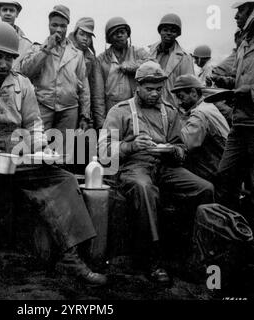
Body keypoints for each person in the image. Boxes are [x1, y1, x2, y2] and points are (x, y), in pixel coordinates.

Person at [0, 22, 107, 290]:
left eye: (9, 58)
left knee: (61, 178)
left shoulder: (22, 84)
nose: (5, 64)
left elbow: (34, 125)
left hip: (17, 154)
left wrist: (44, 150)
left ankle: (71, 257)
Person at [98, 61, 214, 284]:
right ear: (138, 87)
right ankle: (153, 259)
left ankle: (195, 255)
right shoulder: (120, 111)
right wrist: (130, 146)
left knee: (204, 188)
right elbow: (103, 150)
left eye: (158, 89)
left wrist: (173, 151)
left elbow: (181, 147)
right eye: (149, 89)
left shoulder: (169, 113)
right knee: (144, 189)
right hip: (134, 166)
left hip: (165, 165)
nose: (154, 94)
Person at [20, 5, 90, 159]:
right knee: (38, 151)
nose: (58, 29)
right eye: (54, 25)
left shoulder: (77, 54)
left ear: (67, 27)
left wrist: (85, 115)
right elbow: (26, 73)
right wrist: (46, 49)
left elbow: (84, 87)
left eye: (63, 26)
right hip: (42, 106)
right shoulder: (37, 48)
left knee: (64, 155)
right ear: (48, 25)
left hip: (69, 109)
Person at [212, 1, 254, 213]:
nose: (236, 16)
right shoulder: (244, 43)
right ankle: (229, 232)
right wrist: (226, 83)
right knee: (225, 175)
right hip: (240, 122)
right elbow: (237, 75)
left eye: (241, 10)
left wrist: (246, 91)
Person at [171, 75, 229, 183]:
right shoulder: (207, 106)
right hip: (222, 164)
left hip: (215, 169)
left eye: (181, 97)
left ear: (193, 92)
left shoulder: (199, 113)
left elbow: (185, 142)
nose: (179, 102)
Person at [93, 17, 149, 130]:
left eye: (122, 32)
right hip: (112, 111)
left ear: (127, 34)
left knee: (135, 143)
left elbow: (153, 66)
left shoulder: (139, 53)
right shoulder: (101, 60)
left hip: (137, 110)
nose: (119, 35)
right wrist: (101, 123)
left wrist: (131, 67)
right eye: (115, 33)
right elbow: (98, 95)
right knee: (113, 144)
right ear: (109, 38)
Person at [148, 13, 194, 109]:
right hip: (149, 104)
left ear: (177, 34)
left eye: (173, 31)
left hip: (171, 107)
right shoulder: (149, 52)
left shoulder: (185, 58)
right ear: (160, 31)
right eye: (165, 30)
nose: (168, 33)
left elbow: (188, 87)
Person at [68, 17, 97, 128]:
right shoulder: (64, 48)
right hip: (65, 105)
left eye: (89, 36)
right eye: (82, 34)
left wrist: (87, 114)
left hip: (83, 105)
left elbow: (89, 87)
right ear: (75, 33)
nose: (85, 39)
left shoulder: (91, 58)